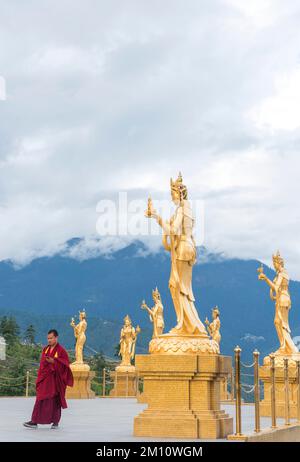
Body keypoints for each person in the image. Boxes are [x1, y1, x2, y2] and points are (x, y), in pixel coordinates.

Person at [23, 329, 74, 429]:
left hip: (55, 381)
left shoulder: (61, 351)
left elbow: (65, 366)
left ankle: (55, 422)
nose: (49, 340)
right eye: (48, 338)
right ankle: (34, 421)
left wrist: (54, 362)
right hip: (45, 379)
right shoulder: (45, 349)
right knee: (40, 399)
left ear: (56, 338)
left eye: (51, 338)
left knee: (55, 401)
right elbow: (42, 365)